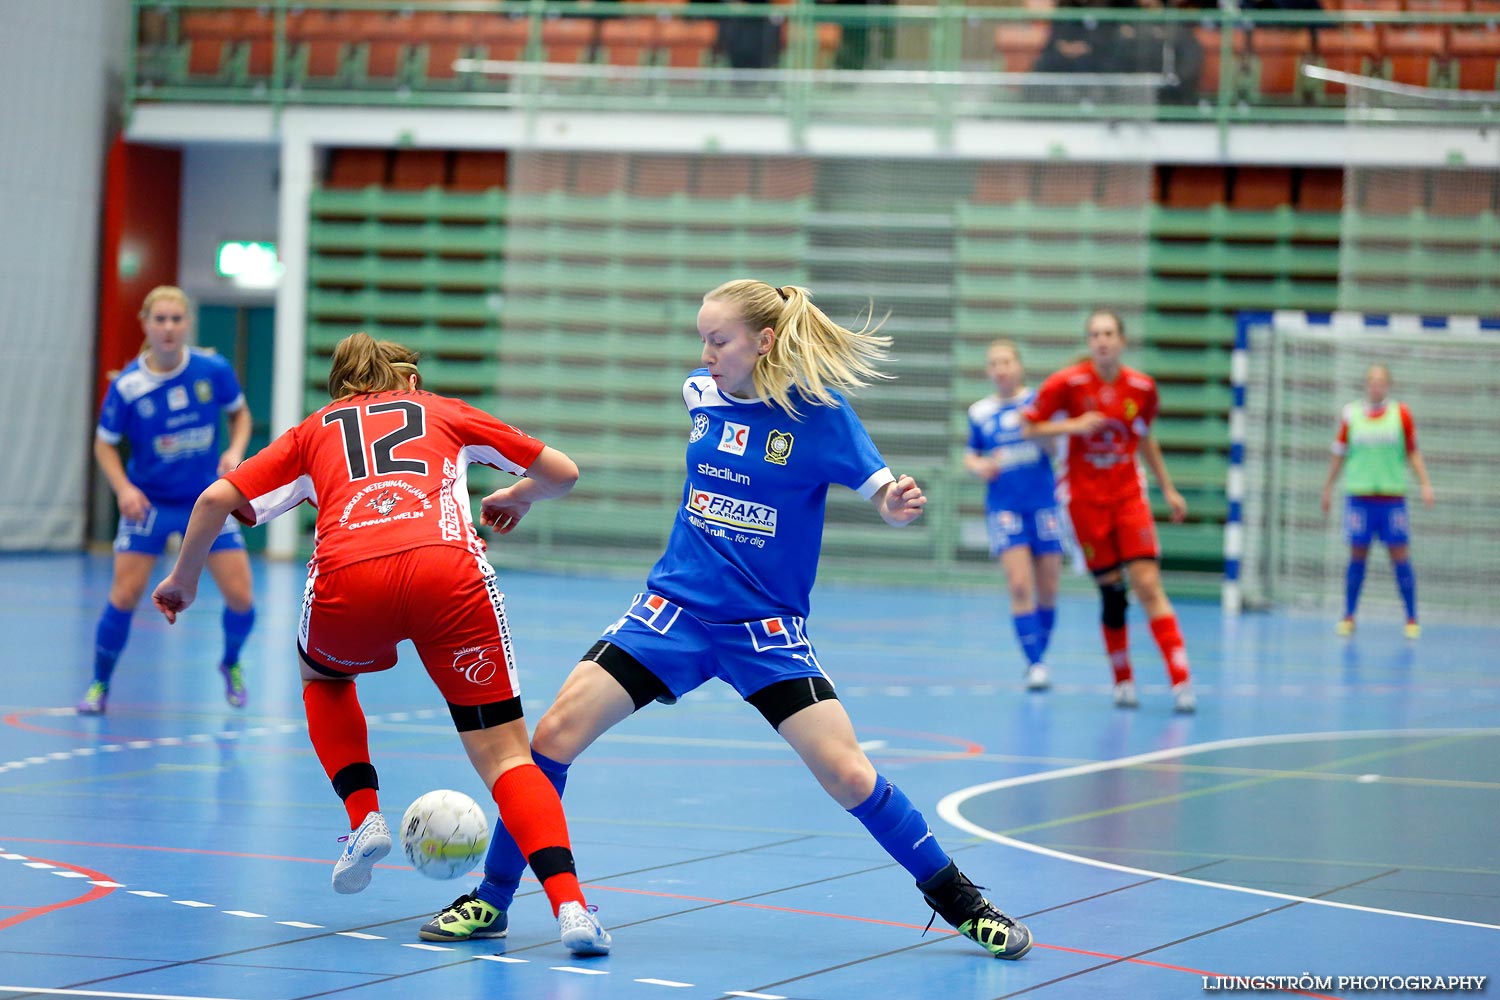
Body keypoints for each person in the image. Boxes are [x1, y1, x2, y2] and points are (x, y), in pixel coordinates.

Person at [418, 279, 1033, 960]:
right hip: (670, 613)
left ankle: (961, 902)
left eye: (719, 339)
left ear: (763, 341)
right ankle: (493, 899)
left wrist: (896, 504)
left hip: (764, 633)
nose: (705, 353)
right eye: (702, 340)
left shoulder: (820, 417)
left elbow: (881, 490)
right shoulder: (699, 395)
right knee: (553, 738)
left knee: (849, 775)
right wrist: (526, 497)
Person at [149, 333, 611, 957]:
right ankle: (572, 909)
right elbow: (563, 472)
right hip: (449, 574)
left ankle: (363, 815)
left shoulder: (315, 431)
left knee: (324, 677)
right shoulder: (444, 411)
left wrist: (183, 580)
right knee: (507, 756)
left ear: (339, 386)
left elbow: (214, 499)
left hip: (350, 579)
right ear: (409, 381)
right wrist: (516, 496)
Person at [79, 286, 256, 716]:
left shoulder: (211, 369)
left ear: (187, 324)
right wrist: (124, 488)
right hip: (151, 505)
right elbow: (104, 444)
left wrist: (235, 451)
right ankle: (99, 683)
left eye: (176, 319)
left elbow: (240, 413)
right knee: (125, 594)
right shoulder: (128, 387)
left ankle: (230, 662)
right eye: (160, 319)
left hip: (207, 502)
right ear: (146, 324)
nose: (169, 327)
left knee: (242, 599)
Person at [1022, 309, 1196, 714]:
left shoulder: (1142, 388)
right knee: (1113, 593)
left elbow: (1145, 438)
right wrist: (1074, 426)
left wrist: (1168, 488)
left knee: (1148, 585)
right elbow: (1029, 426)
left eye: (1109, 333)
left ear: (1121, 341)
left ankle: (1181, 681)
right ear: (1089, 341)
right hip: (1083, 503)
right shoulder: (1066, 383)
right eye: (1095, 334)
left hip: (1128, 498)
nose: (1102, 340)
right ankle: (1123, 681)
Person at [963, 339, 1063, 692]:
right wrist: (981, 467)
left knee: (1049, 587)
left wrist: (1036, 431)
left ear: (1019, 366)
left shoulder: (1037, 404)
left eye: (1007, 362)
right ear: (989, 371)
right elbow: (970, 455)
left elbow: (1056, 448)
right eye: (994, 363)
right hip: (1005, 508)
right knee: (1020, 585)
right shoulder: (980, 412)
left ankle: (1041, 654)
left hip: (1043, 505)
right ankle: (1035, 663)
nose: (1001, 369)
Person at [1319, 363, 1435, 638]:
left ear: (1388, 384)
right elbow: (1339, 453)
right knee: (1357, 555)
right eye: (1371, 380)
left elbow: (1412, 452)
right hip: (1360, 498)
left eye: (1381, 380)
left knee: (1400, 556)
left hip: (1392, 499)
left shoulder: (1401, 414)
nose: (1376, 385)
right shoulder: (1352, 415)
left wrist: (1425, 483)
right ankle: (1348, 615)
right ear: (1365, 384)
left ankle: (1411, 617)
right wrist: (1327, 487)